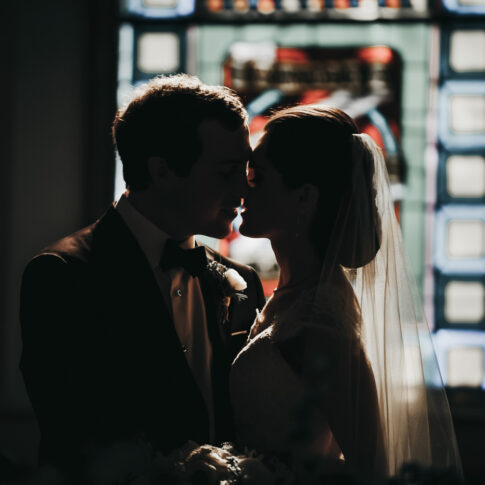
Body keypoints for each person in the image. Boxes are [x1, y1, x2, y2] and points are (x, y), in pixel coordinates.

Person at [19, 74, 265, 480]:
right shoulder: (63, 277)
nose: (244, 188)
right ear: (163, 170)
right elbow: (72, 434)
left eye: (247, 169)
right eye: (226, 172)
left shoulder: (241, 283)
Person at [231, 106, 462, 480]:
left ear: (304, 198)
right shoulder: (290, 298)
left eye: (256, 176)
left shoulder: (320, 327)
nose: (241, 187)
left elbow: (371, 470)